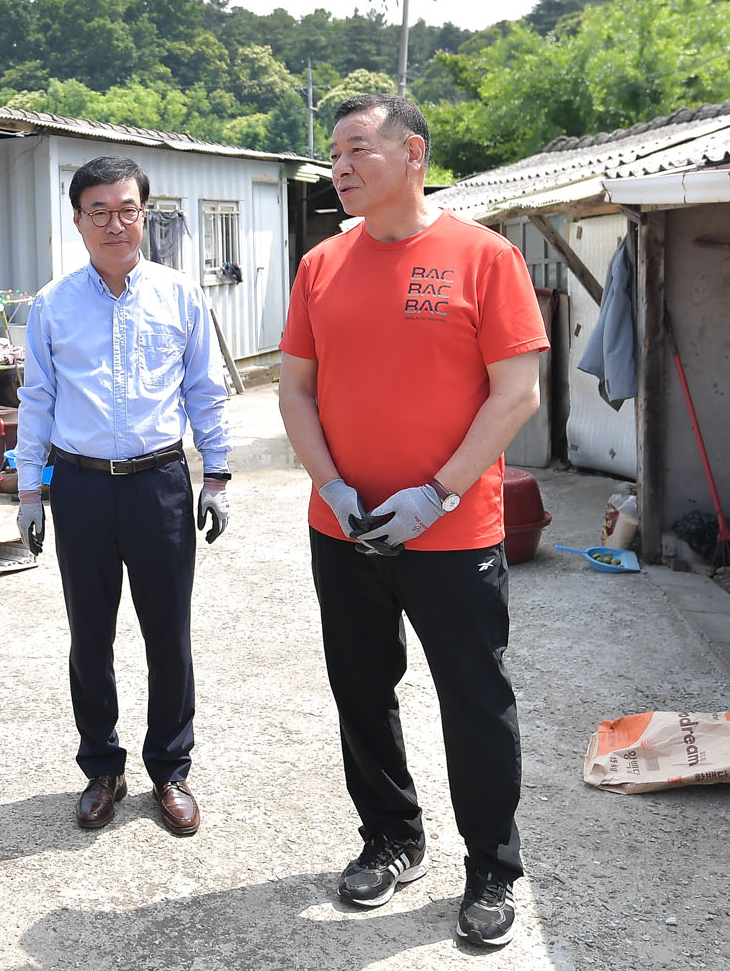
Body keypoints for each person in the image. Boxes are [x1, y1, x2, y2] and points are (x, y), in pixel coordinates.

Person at [278, 94, 546, 947]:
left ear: (414, 154)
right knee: (361, 689)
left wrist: (439, 491)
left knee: (475, 700)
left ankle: (492, 869)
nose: (341, 167)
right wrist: (331, 485)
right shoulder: (322, 264)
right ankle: (392, 838)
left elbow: (517, 393)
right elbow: (295, 389)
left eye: (358, 148)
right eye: (334, 154)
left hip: (452, 533)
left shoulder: (485, 257)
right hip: (345, 527)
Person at [13, 155, 231, 838]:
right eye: (99, 212)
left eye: (127, 209)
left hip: (159, 484)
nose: (115, 224)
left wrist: (216, 477)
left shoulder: (179, 296)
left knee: (169, 635)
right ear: (77, 220)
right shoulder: (52, 305)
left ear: (145, 214)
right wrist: (28, 491)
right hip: (79, 486)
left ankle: (170, 767)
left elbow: (205, 390)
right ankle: (102, 768)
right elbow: (37, 400)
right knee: (90, 637)